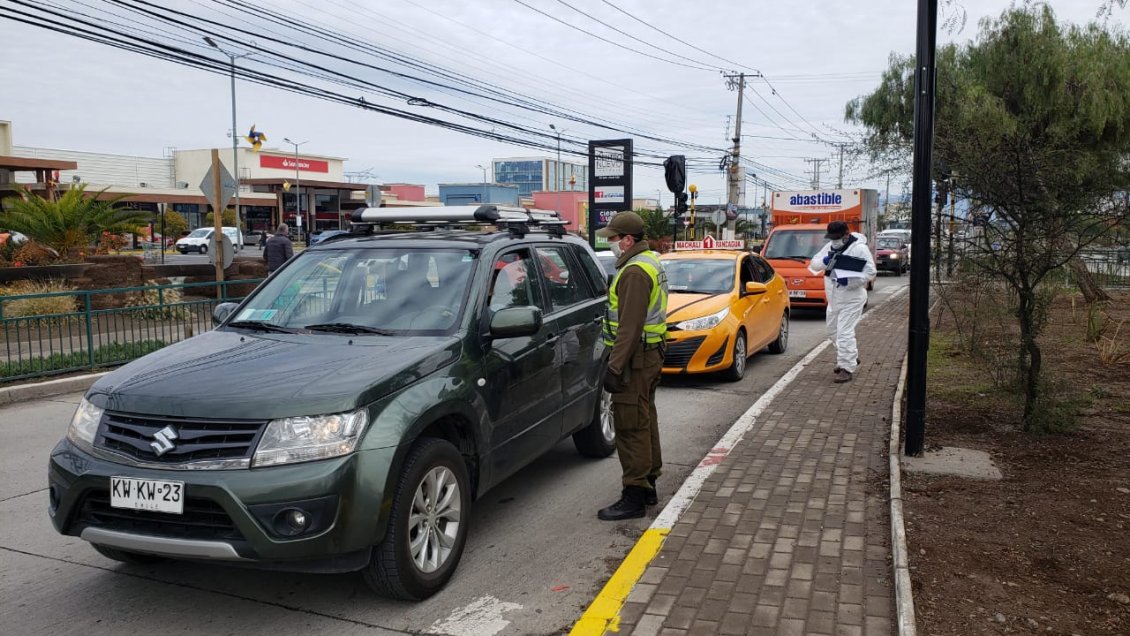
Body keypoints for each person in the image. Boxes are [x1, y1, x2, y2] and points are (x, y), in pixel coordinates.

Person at [595, 211, 669, 521]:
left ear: (627, 240)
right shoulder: (649, 261)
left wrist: (614, 368)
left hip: (635, 359)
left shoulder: (635, 272)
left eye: (612, 238)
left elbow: (629, 327)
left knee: (630, 425)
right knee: (644, 417)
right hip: (648, 355)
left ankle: (635, 494)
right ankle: (648, 482)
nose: (610, 243)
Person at [808, 220, 877, 383]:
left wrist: (851, 281)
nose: (834, 241)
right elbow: (814, 263)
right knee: (833, 332)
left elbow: (870, 272)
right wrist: (824, 261)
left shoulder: (859, 249)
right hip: (833, 299)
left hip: (852, 298)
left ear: (846, 234)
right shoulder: (831, 246)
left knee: (844, 333)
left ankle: (846, 367)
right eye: (831, 238)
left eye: (837, 237)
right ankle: (850, 357)